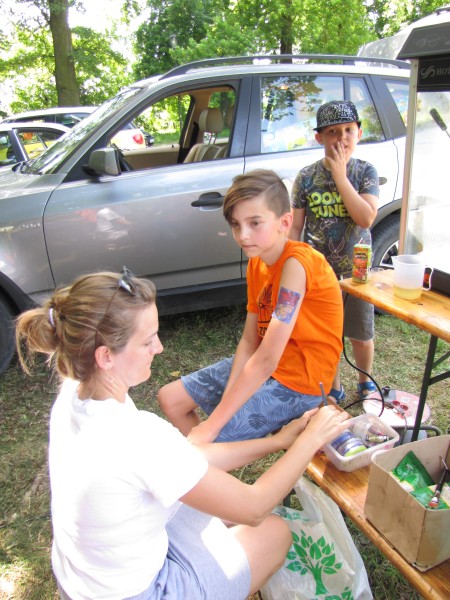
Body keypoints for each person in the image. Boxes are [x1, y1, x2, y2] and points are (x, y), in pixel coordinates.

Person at [15, 267, 349, 600]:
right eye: (147, 340)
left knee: (212, 509)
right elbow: (254, 507)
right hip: (141, 594)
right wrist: (310, 440)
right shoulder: (135, 436)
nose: (159, 347)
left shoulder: (74, 393)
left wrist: (278, 441)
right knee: (274, 533)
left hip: (81, 584)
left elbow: (189, 458)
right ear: (105, 357)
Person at [158, 169, 344, 444]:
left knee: (212, 439)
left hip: (301, 381)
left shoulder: (297, 265)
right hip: (269, 366)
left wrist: (212, 426)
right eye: (236, 224)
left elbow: (266, 359)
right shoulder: (257, 263)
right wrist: (227, 403)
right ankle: (214, 463)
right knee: (170, 399)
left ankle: (212, 462)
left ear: (285, 222)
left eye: (255, 223)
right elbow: (249, 341)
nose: (243, 235)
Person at [289, 100, 380, 404]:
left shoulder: (365, 171)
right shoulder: (306, 177)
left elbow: (365, 218)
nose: (342, 138)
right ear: (319, 138)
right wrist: (293, 264)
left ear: (359, 133)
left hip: (357, 270)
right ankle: (333, 384)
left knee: (360, 331)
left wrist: (340, 176)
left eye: (348, 130)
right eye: (333, 132)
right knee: (326, 332)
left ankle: (365, 383)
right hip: (319, 271)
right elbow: (295, 227)